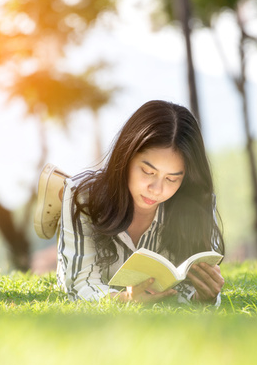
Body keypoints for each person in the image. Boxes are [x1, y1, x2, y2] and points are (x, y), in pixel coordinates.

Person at [53, 100, 225, 304]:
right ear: (126, 157)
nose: (157, 189)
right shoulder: (82, 197)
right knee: (74, 192)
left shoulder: (196, 201)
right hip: (88, 197)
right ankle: (55, 197)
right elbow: (80, 284)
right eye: (148, 171)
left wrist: (203, 297)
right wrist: (124, 300)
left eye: (172, 179)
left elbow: (188, 288)